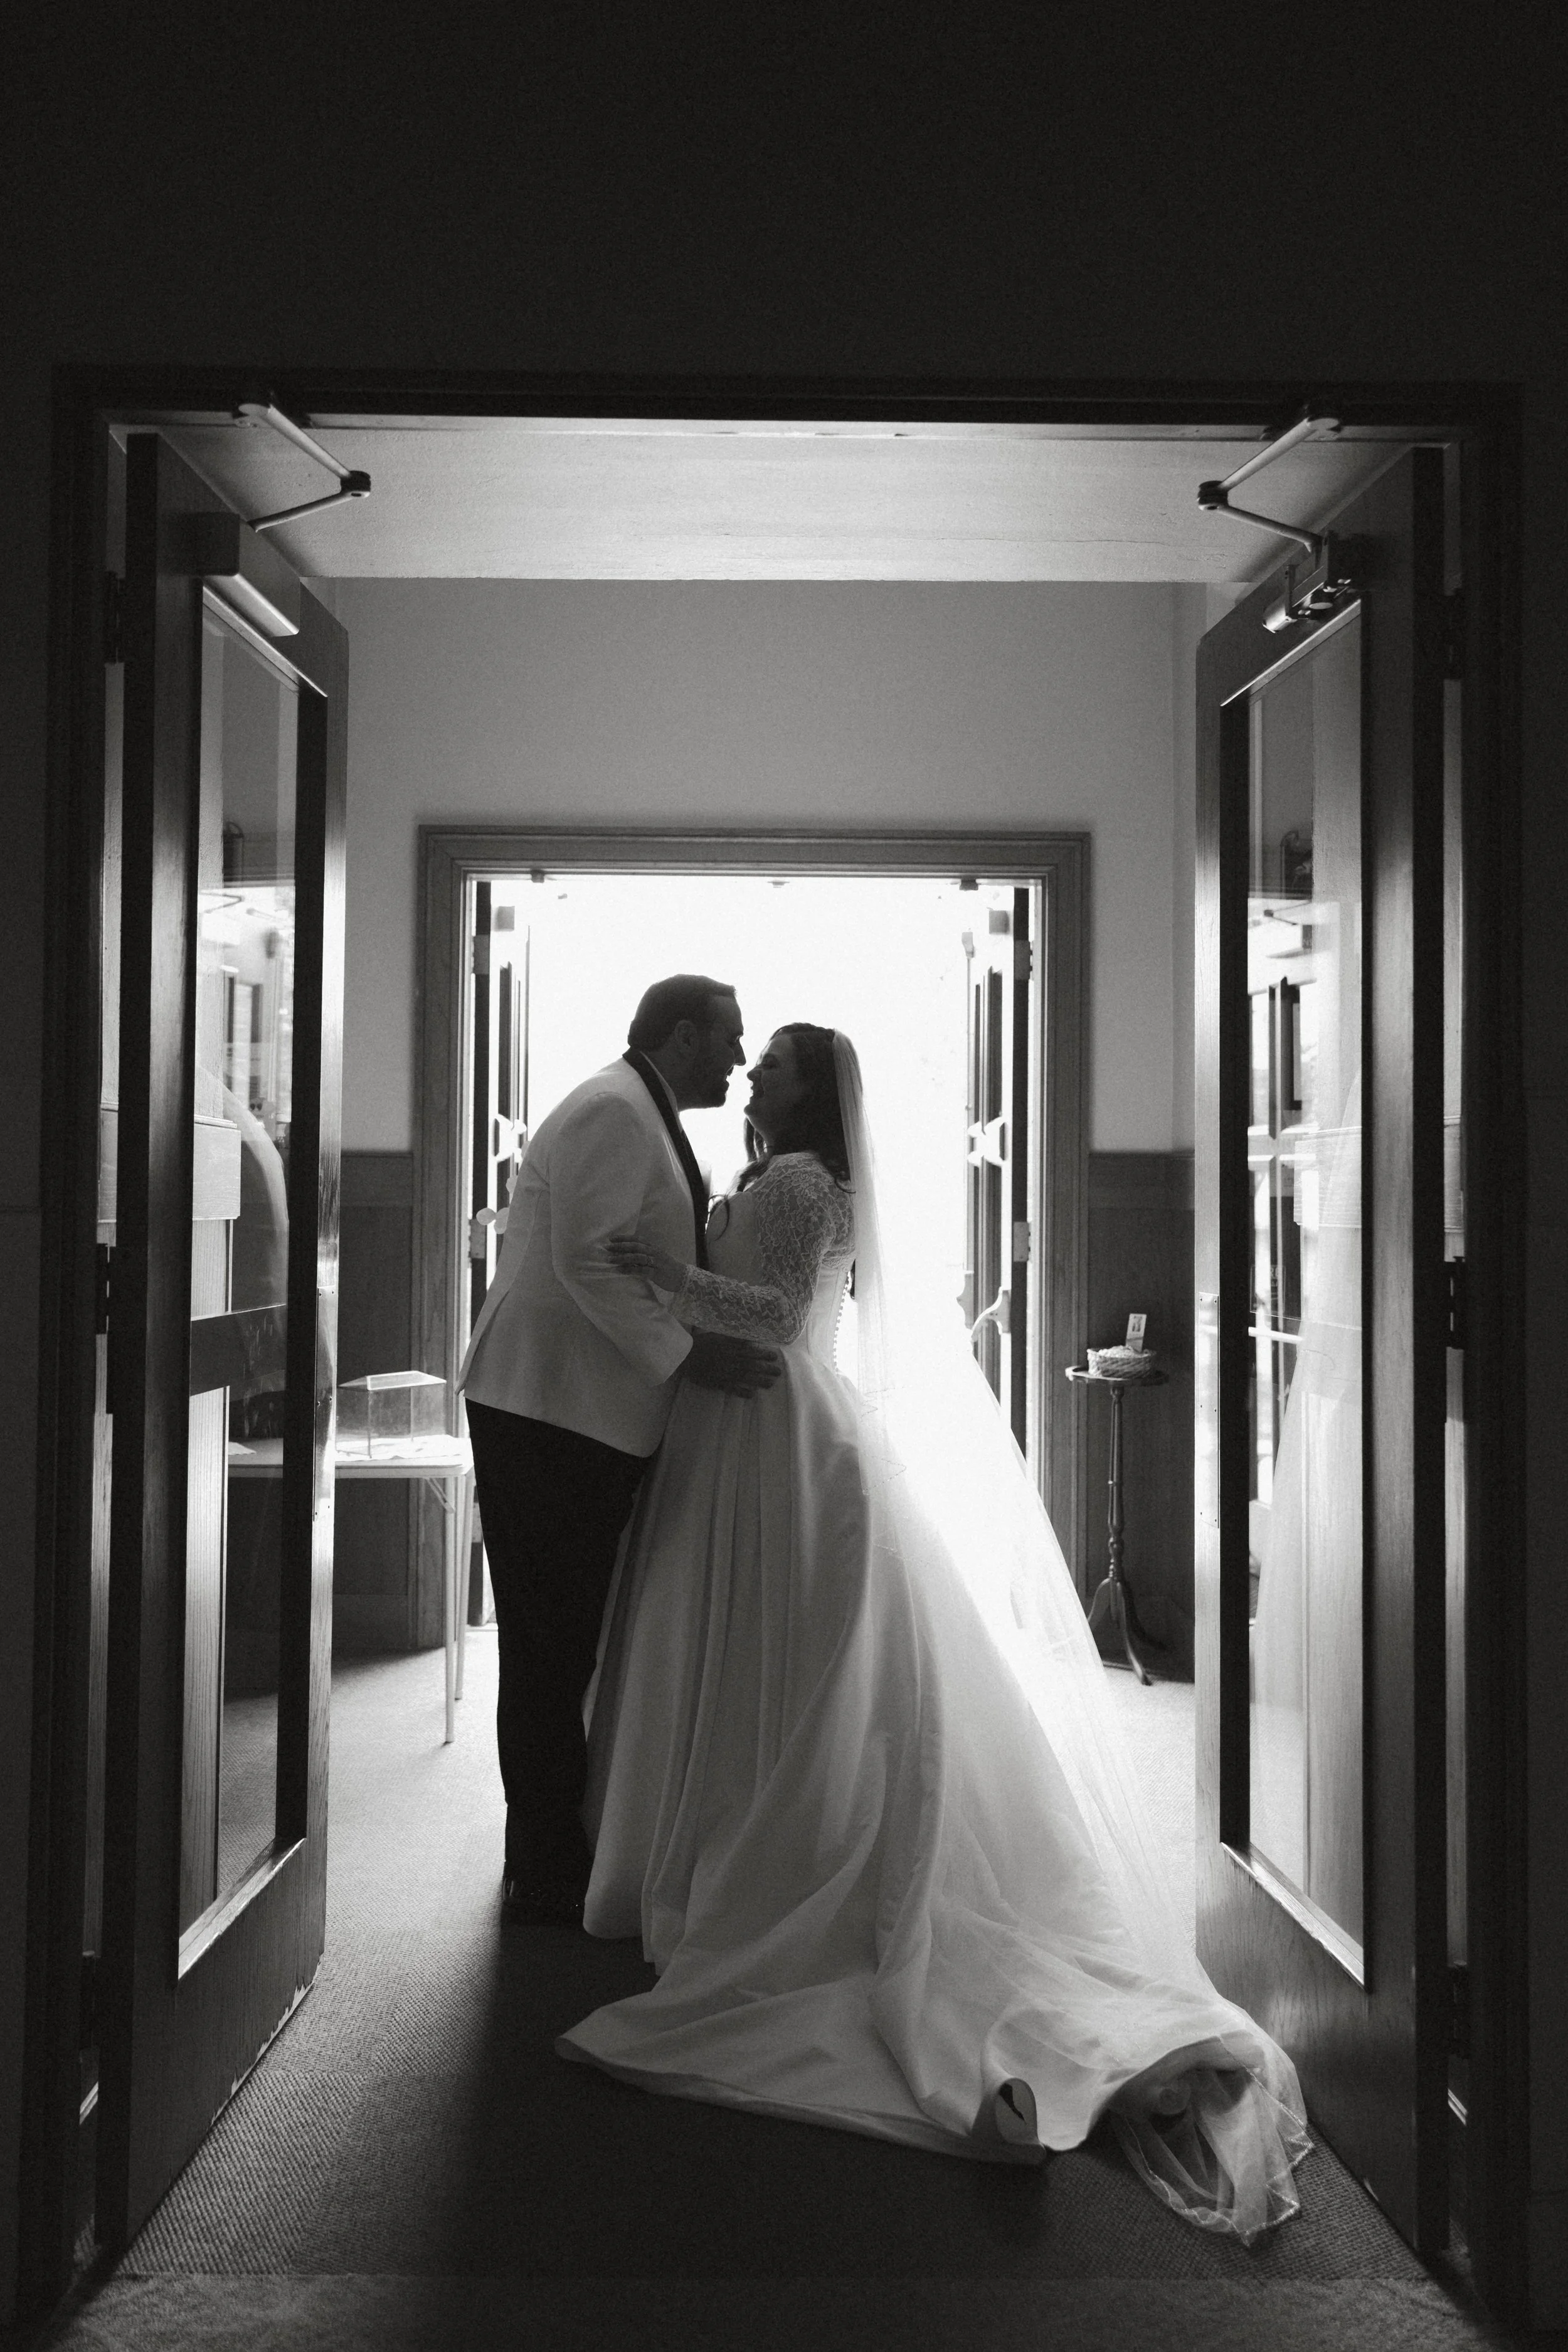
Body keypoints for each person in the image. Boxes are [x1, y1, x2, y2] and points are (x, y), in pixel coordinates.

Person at [558, 1024, 1311, 2243]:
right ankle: (710, 1829)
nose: (752, 1074)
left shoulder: (803, 1185)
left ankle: (782, 1851)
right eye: (749, 1058)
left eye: (773, 1065)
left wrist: (664, 1273)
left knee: (809, 1666)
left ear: (809, 1092)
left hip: (783, 1432)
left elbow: (779, 1308)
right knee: (738, 1642)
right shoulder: (765, 1175)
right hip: (734, 1432)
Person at [458, 975, 781, 1926]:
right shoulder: (612, 1108)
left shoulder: (639, 1103)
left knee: (564, 1638)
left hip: (577, 1411)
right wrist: (689, 1357)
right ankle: (545, 1864)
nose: (736, 1057)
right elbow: (586, 1257)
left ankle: (553, 1844)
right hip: (546, 1411)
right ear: (682, 1036)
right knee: (548, 1641)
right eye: (729, 1038)